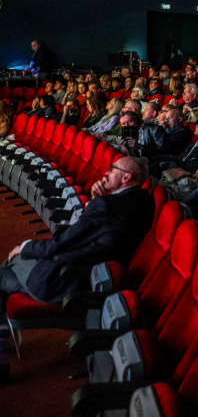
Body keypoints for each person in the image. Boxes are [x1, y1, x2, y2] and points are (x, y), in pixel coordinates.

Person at [1, 156, 154, 379]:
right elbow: (96, 234)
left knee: (7, 269)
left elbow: (63, 242)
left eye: (112, 169)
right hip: (97, 274)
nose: (106, 173)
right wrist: (95, 203)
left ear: (126, 177)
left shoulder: (107, 205)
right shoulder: (144, 202)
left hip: (68, 279)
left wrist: (25, 247)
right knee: (8, 268)